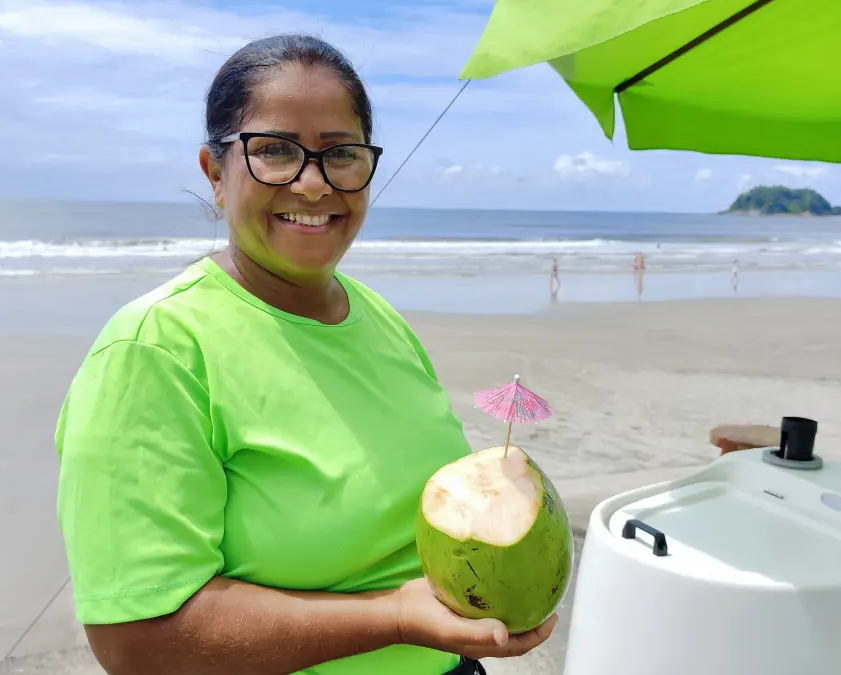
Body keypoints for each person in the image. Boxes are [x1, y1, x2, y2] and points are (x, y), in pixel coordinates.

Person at [53, 34, 555, 675]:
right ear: (215, 172)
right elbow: (138, 642)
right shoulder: (155, 350)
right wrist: (394, 618)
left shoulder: (379, 318)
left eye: (340, 154)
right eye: (273, 151)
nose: (314, 185)